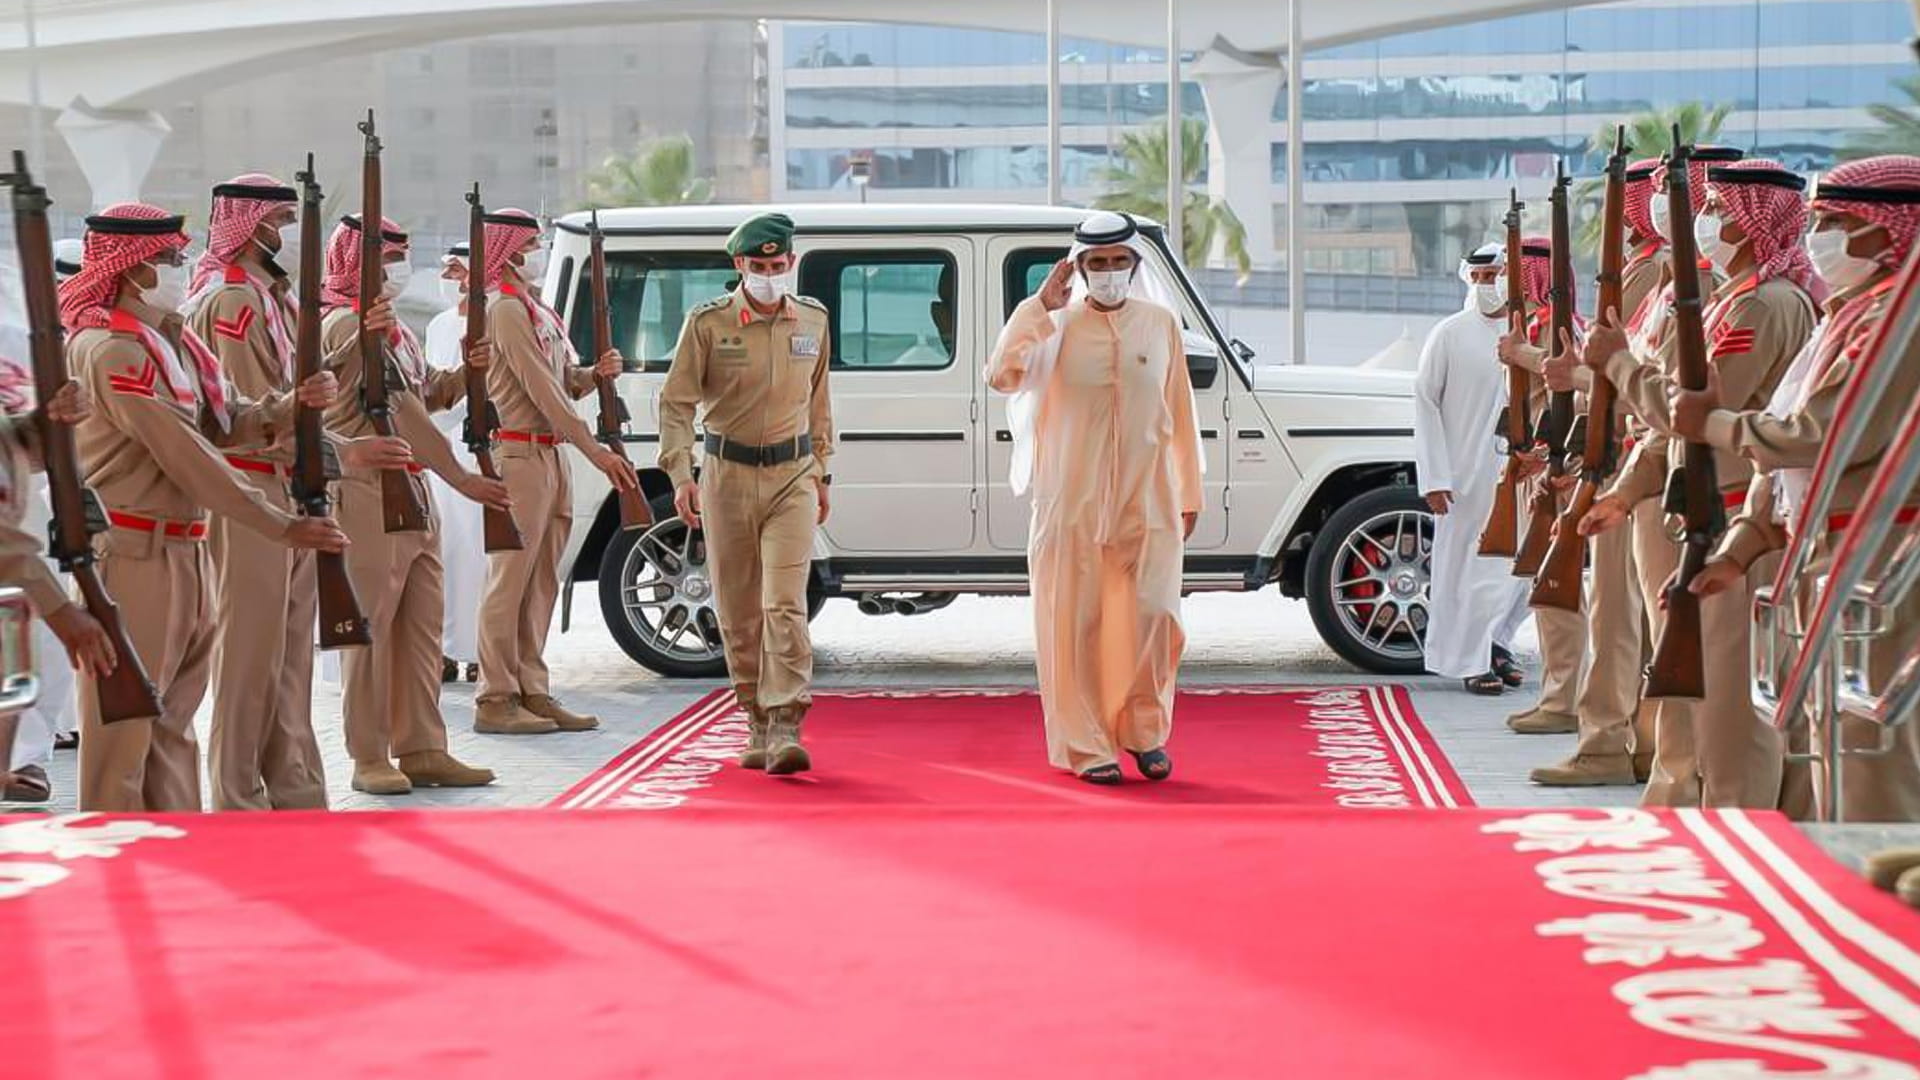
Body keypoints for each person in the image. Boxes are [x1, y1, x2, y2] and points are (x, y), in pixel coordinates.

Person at [61, 202, 349, 812]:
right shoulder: (112, 350)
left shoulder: (172, 343)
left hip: (185, 549)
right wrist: (279, 523)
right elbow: (184, 452)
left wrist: (286, 407)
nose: (179, 267)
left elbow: (223, 423)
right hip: (137, 553)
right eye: (166, 258)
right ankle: (116, 876)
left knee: (171, 728)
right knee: (125, 737)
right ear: (132, 268)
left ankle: (182, 862)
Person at [1670, 155, 1920, 821]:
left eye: (1839, 222)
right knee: (1826, 732)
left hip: (1877, 553)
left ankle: (1877, 900)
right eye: (1817, 221)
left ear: (1893, 230)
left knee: (1873, 744)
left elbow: (1826, 434)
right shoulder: (1850, 313)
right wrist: (1744, 544)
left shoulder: (1893, 324)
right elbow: (1787, 450)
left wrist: (1714, 423)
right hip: (1820, 552)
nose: (1822, 237)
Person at [1583, 158, 1817, 810]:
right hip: (1709, 515)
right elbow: (1679, 428)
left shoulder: (1765, 305)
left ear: (1751, 221)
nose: (1703, 220)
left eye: (1718, 208)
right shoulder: (1728, 301)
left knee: (1736, 708)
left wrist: (1621, 366)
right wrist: (1627, 491)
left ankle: (1741, 827)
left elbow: (1703, 417)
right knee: (1706, 692)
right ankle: (1703, 808)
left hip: (1741, 518)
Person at [185, 174, 412, 811]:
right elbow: (244, 419)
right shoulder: (233, 302)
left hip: (290, 485)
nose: (281, 233)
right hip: (252, 487)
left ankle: (294, 788)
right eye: (276, 221)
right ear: (245, 223)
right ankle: (237, 796)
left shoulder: (277, 299)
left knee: (288, 659)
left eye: (290, 222)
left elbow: (310, 397)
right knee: (248, 658)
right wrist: (345, 453)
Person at [986, 210, 1203, 785]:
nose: (1108, 273)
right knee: (1073, 621)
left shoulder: (1160, 324)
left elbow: (1180, 411)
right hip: (1070, 501)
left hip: (1149, 496)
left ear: (1133, 264)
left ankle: (1144, 731)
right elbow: (1002, 375)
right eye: (1096, 264)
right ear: (1078, 268)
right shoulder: (1052, 327)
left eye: (1117, 263)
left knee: (1155, 618)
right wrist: (1037, 308)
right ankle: (1088, 747)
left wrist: (1190, 490)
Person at [1575, 147, 1742, 807]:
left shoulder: (1740, 302)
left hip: (1707, 497)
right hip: (1657, 476)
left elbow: (1687, 410)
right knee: (1662, 638)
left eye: (1716, 207)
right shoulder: (1679, 286)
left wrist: (1607, 372)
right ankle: (1667, 777)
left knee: (1697, 658)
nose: (1702, 219)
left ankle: (1682, 784)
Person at [320, 214, 507, 794]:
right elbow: (397, 410)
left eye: (399, 255)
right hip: (368, 490)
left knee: (419, 628)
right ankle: (368, 755)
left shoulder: (391, 329)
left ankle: (423, 746)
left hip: (411, 487)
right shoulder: (344, 323)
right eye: (385, 256)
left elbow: (423, 392)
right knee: (370, 628)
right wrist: (462, 478)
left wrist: (464, 375)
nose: (396, 267)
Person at [660, 211, 833, 775]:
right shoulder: (709, 324)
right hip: (725, 474)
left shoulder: (812, 319)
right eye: (756, 266)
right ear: (738, 265)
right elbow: (677, 403)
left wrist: (823, 472)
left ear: (792, 264)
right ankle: (754, 717)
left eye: (776, 265)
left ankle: (785, 721)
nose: (767, 274)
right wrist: (680, 473)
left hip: (793, 476)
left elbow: (820, 403)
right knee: (737, 607)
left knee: (784, 601)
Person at [1528, 158, 1670, 788]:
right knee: (1619, 614)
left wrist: (1574, 378)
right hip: (1621, 457)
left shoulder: (1659, 272)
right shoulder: (1651, 271)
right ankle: (1623, 739)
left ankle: (1612, 740)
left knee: (1619, 617)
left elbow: (1632, 382)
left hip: (1637, 462)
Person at [474, 208, 635, 736]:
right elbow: (541, 390)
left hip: (548, 454)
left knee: (541, 580)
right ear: (508, 249)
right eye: (530, 243)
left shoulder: (534, 309)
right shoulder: (504, 310)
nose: (537, 251)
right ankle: (496, 696)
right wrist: (597, 452)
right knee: (510, 581)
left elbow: (561, 380)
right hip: (521, 455)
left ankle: (531, 688)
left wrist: (592, 375)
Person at [1412, 243, 1531, 695]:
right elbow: (1425, 405)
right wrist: (1435, 478)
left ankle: (1497, 645)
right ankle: (1470, 660)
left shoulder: (1529, 332)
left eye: (1494, 276)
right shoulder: (1449, 334)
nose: (1486, 286)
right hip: (1464, 478)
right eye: (1479, 278)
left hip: (1520, 473)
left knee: (1520, 572)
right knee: (1467, 573)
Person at [0, 289, 102, 804]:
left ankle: (19, 760)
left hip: (17, 551)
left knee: (25, 662)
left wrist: (47, 423)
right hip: (14, 554)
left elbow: (21, 449)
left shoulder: (14, 324)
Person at [1493, 235, 1586, 736]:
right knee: (1546, 596)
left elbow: (1568, 396)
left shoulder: (1557, 330)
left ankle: (1563, 699)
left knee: (1558, 593)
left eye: (1518, 272)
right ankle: (1557, 694)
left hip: (1554, 471)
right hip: (1536, 466)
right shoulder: (1533, 330)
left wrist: (1520, 354)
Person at [424, 241, 484, 683]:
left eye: (455, 271)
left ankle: (480, 651)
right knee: (443, 552)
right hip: (439, 449)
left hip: (479, 452)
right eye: (444, 271)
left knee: (479, 555)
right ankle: (443, 651)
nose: (448, 280)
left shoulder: (492, 321)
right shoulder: (439, 324)